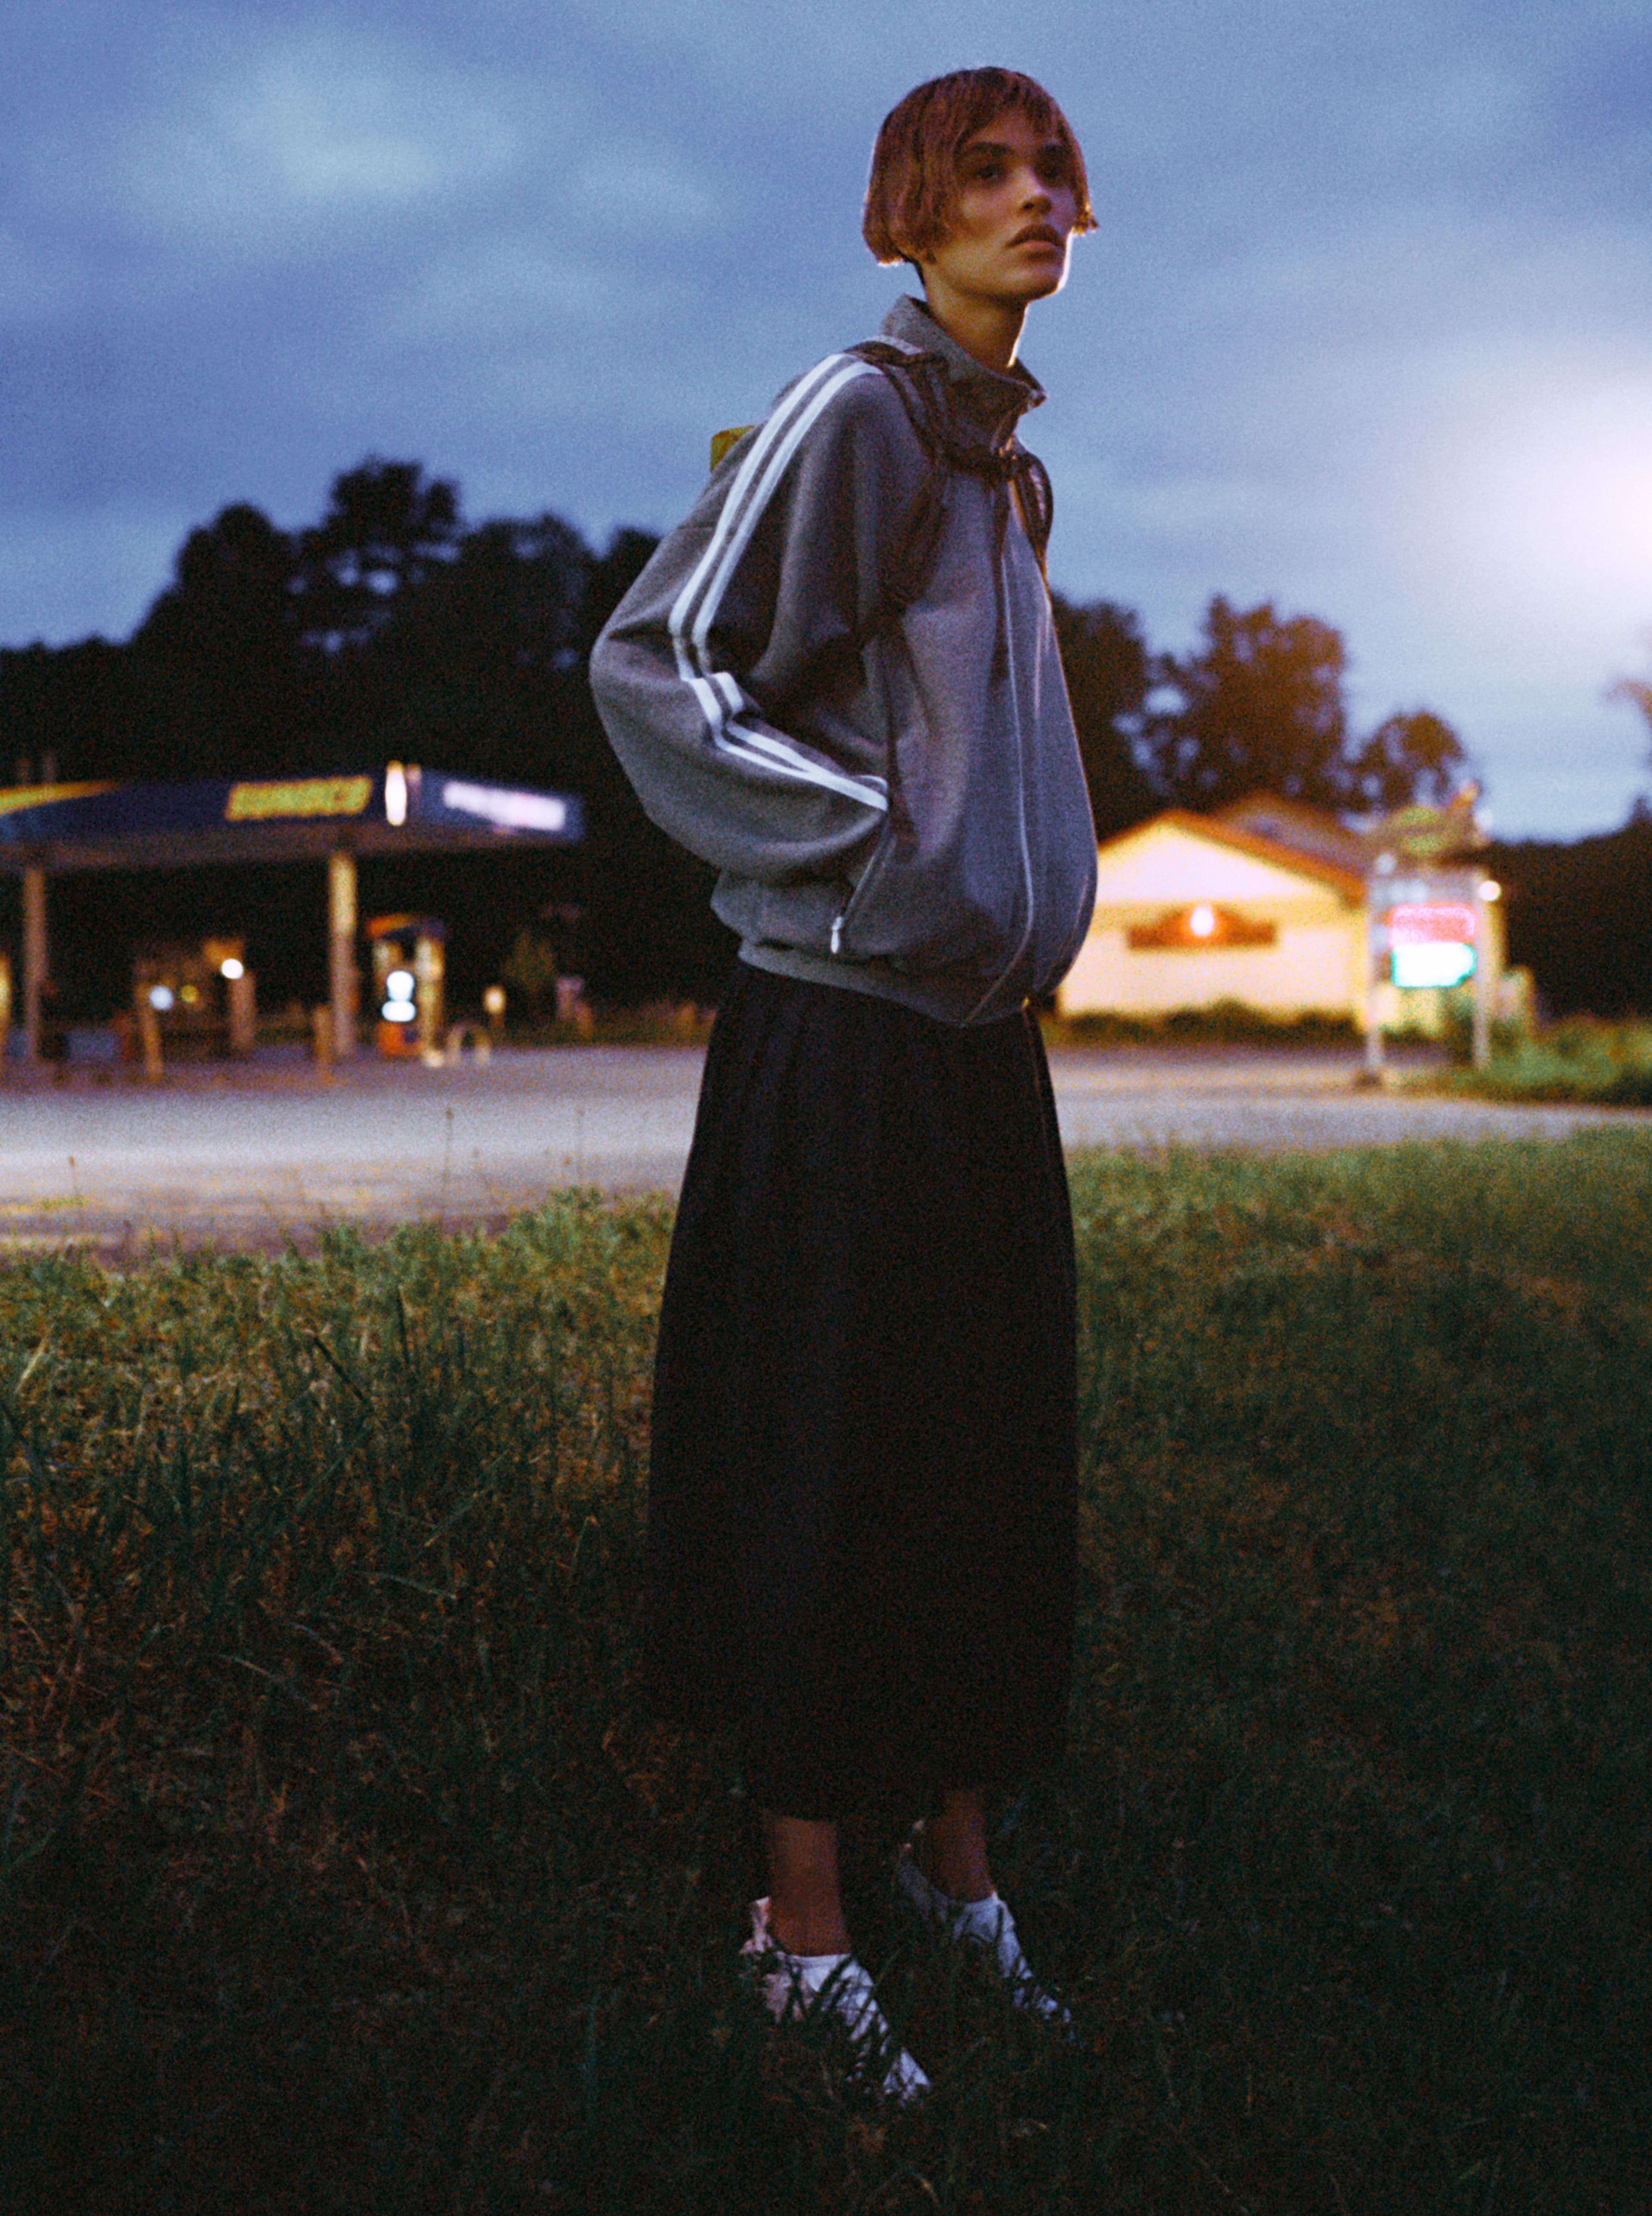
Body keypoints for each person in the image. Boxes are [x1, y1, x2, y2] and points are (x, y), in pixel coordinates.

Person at [589, 66, 1098, 2101]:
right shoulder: (864, 407)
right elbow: (663, 666)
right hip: (843, 1036)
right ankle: (796, 1935)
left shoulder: (1003, 467)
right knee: (823, 1465)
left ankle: (952, 1877)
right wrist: (884, 853)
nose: (1036, 196)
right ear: (908, 211)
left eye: (1055, 167)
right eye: (988, 170)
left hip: (983, 1051)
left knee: (984, 1457)